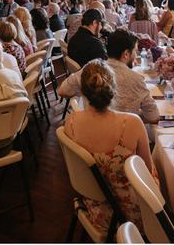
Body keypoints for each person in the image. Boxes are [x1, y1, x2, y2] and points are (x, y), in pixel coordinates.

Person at [63, 60, 157, 236]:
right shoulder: (132, 123)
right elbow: (148, 172)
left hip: (93, 204)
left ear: (82, 91)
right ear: (114, 89)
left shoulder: (71, 122)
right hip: (130, 216)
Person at [59, 30, 159, 124]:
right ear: (126, 54)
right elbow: (153, 117)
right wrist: (135, 115)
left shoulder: (91, 70)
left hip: (91, 133)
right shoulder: (137, 80)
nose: (135, 57)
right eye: (135, 52)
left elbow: (62, 91)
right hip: (124, 137)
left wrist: (83, 93)